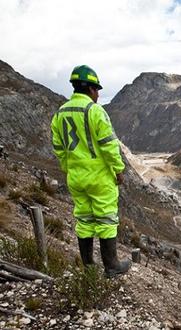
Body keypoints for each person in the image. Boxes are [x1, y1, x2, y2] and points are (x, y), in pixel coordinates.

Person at [51, 65, 131, 277]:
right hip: (99, 178)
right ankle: (112, 266)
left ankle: (88, 266)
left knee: (84, 219)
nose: (98, 94)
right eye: (97, 89)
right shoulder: (95, 111)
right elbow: (109, 146)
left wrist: (69, 168)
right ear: (91, 89)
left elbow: (59, 147)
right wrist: (118, 170)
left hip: (76, 178)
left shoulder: (60, 113)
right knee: (106, 218)